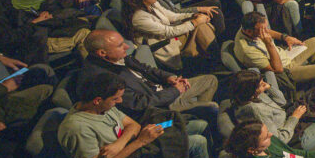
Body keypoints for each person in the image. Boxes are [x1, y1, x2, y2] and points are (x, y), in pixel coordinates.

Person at [58, 72, 210, 158]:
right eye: (116, 99)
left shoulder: (102, 106)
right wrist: (140, 142)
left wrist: (119, 144)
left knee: (198, 124)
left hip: (136, 141)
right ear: (97, 100)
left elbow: (134, 125)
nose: (120, 102)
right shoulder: (77, 128)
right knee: (197, 141)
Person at [81, 29, 218, 123]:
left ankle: (193, 110)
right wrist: (175, 91)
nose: (127, 47)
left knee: (210, 80)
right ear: (102, 53)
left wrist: (170, 77)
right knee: (212, 107)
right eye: (120, 45)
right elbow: (141, 103)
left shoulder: (115, 57)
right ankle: (193, 115)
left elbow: (147, 69)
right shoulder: (102, 79)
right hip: (159, 107)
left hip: (164, 90)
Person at [229, 69, 315, 150]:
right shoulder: (257, 111)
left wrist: (269, 87)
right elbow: (279, 140)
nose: (264, 84)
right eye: (261, 85)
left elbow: (282, 102)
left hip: (288, 121)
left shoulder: (251, 96)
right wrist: (294, 117)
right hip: (291, 139)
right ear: (252, 91)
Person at [123, 0, 214, 69]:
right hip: (166, 46)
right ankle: (215, 59)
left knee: (202, 25)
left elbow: (172, 16)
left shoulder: (152, 5)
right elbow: (168, 32)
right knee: (201, 26)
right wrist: (195, 22)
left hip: (173, 39)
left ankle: (213, 58)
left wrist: (193, 15)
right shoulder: (139, 18)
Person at [234, 11, 315, 89]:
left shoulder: (247, 28)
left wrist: (285, 37)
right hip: (285, 70)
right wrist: (269, 44)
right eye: (262, 30)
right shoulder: (248, 51)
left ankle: (310, 77)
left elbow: (267, 31)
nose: (266, 31)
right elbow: (278, 70)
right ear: (249, 31)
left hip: (285, 55)